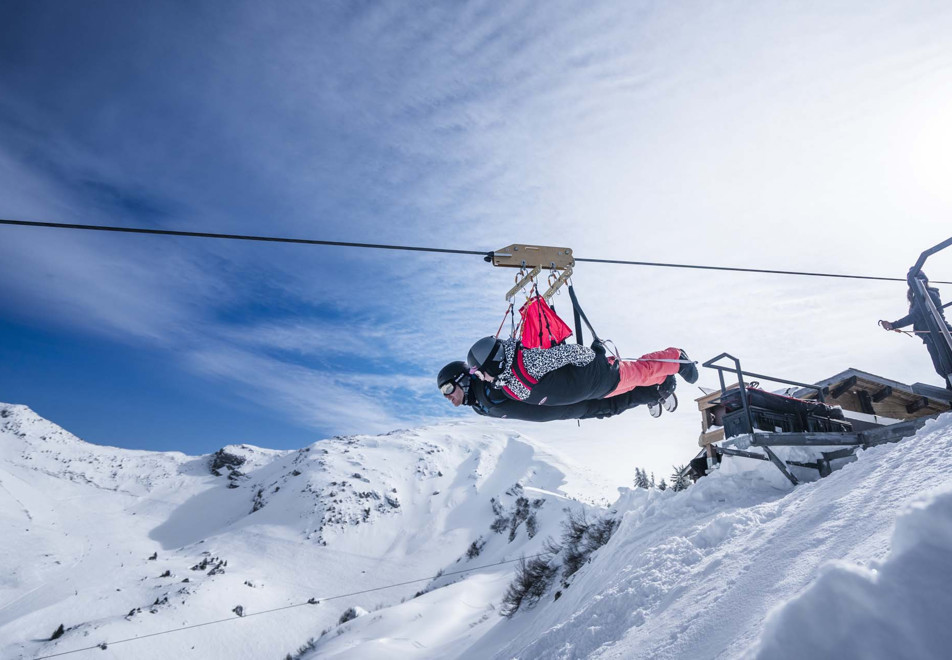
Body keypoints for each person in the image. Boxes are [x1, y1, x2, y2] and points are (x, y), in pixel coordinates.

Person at [464, 335, 698, 408]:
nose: (478, 376)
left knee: (642, 370)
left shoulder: (528, 362)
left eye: (478, 371)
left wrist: (593, 357)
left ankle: (677, 357)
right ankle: (666, 378)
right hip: (598, 390)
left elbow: (570, 353)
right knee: (639, 381)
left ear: (493, 362)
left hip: (599, 375)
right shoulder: (505, 383)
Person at [438, 360, 678, 421]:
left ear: (463, 378)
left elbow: (519, 371)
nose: (447, 396)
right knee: (612, 407)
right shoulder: (479, 406)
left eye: (448, 387)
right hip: (564, 411)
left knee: (612, 394)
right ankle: (652, 391)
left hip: (566, 397)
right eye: (443, 393)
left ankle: (661, 383)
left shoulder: (489, 385)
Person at [880, 271, 952, 388]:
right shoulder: (916, 299)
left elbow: (917, 315)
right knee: (941, 369)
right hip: (930, 337)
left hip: (941, 333)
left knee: (947, 365)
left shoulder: (929, 294)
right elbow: (916, 315)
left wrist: (894, 325)